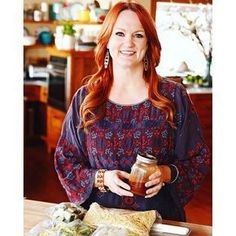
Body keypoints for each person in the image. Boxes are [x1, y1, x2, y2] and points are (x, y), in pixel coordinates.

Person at [54, 0, 210, 222]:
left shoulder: (173, 96)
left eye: (138, 35)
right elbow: (66, 159)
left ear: (148, 43)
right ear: (107, 41)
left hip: (159, 221)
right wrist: (102, 178)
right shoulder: (86, 99)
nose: (128, 42)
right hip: (100, 223)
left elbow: (198, 159)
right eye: (119, 34)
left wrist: (166, 173)